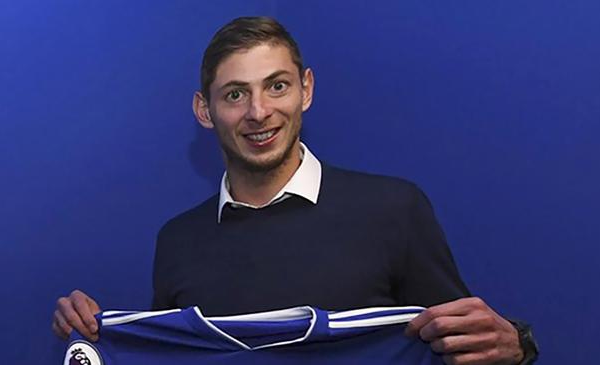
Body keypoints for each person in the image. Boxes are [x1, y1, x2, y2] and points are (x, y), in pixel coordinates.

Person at [53, 17, 537, 365]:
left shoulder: (394, 209)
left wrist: (517, 347)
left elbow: (467, 345)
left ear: (306, 89)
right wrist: (97, 335)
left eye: (277, 86)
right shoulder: (177, 240)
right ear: (205, 110)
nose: (259, 112)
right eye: (235, 94)